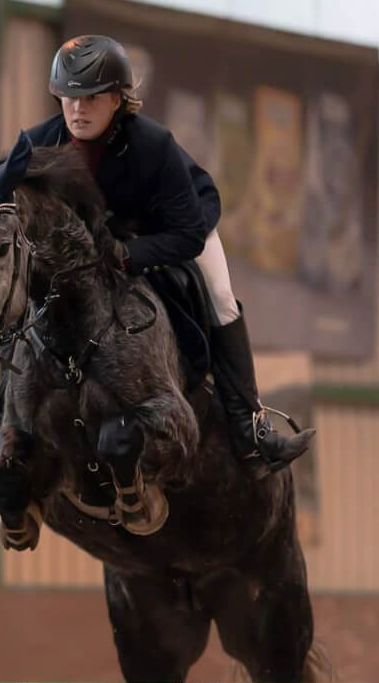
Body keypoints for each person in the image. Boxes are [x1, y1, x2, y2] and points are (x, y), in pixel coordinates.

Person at [23, 34, 314, 476]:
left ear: (119, 99)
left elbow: (188, 233)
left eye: (92, 98)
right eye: (68, 98)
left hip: (178, 225)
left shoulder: (153, 144)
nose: (77, 110)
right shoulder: (39, 143)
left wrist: (127, 256)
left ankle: (250, 429)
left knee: (220, 294)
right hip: (101, 240)